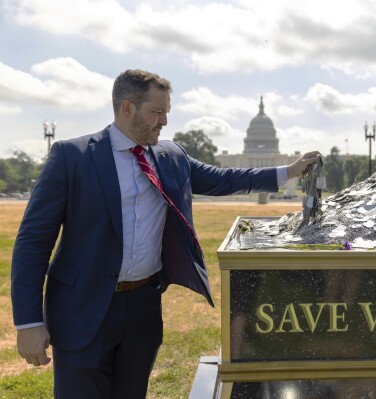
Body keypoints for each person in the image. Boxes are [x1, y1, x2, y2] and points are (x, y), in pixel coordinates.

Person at [11, 69, 320, 398]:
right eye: (157, 113)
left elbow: (223, 179)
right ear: (127, 108)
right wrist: (28, 322)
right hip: (82, 308)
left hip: (143, 307)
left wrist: (288, 171)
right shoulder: (72, 157)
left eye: (167, 113)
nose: (164, 122)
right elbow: (33, 242)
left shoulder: (171, 156)